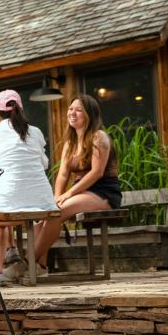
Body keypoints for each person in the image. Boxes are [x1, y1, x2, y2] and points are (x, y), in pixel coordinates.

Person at [32, 94, 122, 270]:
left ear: (90, 114)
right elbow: (63, 175)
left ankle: (27, 262)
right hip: (82, 192)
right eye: (71, 109)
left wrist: (69, 194)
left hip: (102, 192)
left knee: (55, 213)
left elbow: (97, 173)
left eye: (79, 110)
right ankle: (40, 267)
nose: (73, 113)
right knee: (43, 215)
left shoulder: (98, 137)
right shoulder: (70, 143)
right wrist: (56, 197)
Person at [0, 89, 57, 286]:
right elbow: (44, 164)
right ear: (20, 109)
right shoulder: (36, 132)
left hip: (9, 199)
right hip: (41, 200)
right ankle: (35, 264)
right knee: (39, 216)